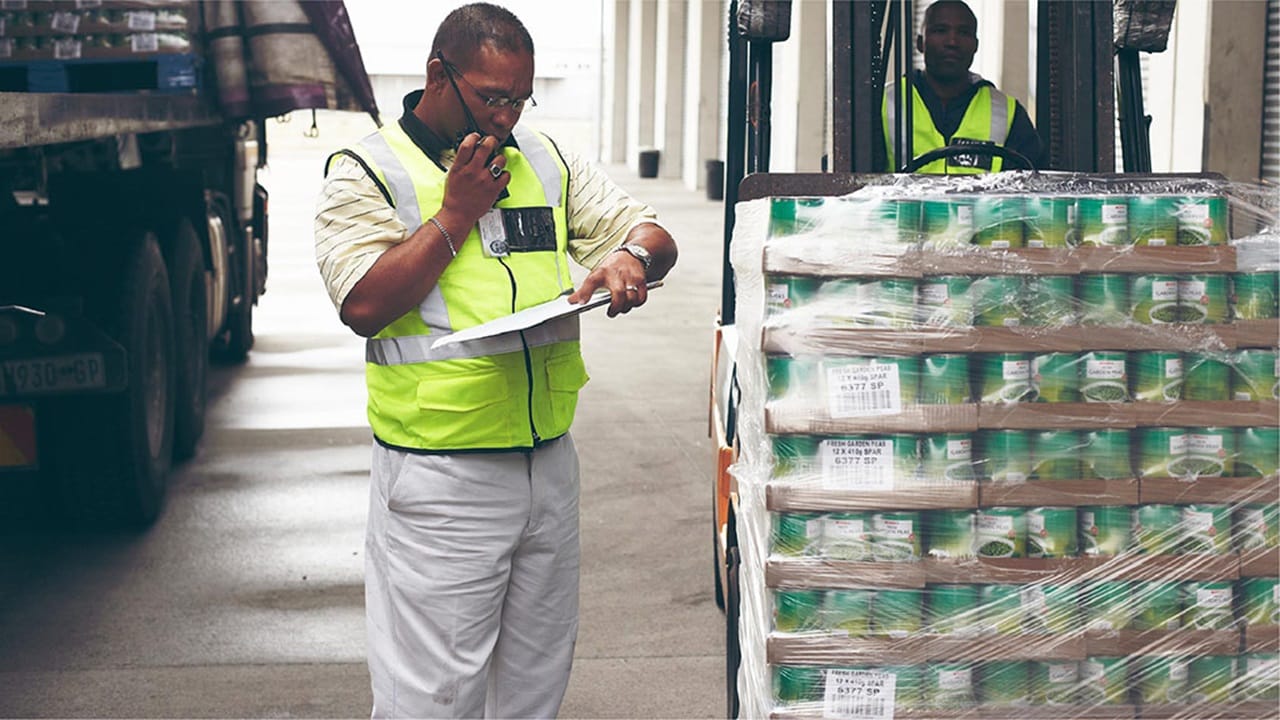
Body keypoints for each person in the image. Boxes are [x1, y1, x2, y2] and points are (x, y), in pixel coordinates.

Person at [312, 4, 677, 717]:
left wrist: (630, 257)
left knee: (533, 692)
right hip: (443, 479)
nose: (507, 116)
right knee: (432, 699)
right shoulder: (368, 170)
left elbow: (649, 231)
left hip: (547, 466)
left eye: (520, 98)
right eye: (492, 97)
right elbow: (361, 304)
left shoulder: (544, 157)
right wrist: (453, 216)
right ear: (437, 76)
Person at [882, 0, 1046, 173]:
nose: (952, 41)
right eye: (940, 30)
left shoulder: (1008, 113)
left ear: (976, 45)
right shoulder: (885, 104)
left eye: (963, 32)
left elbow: (1032, 186)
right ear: (920, 43)